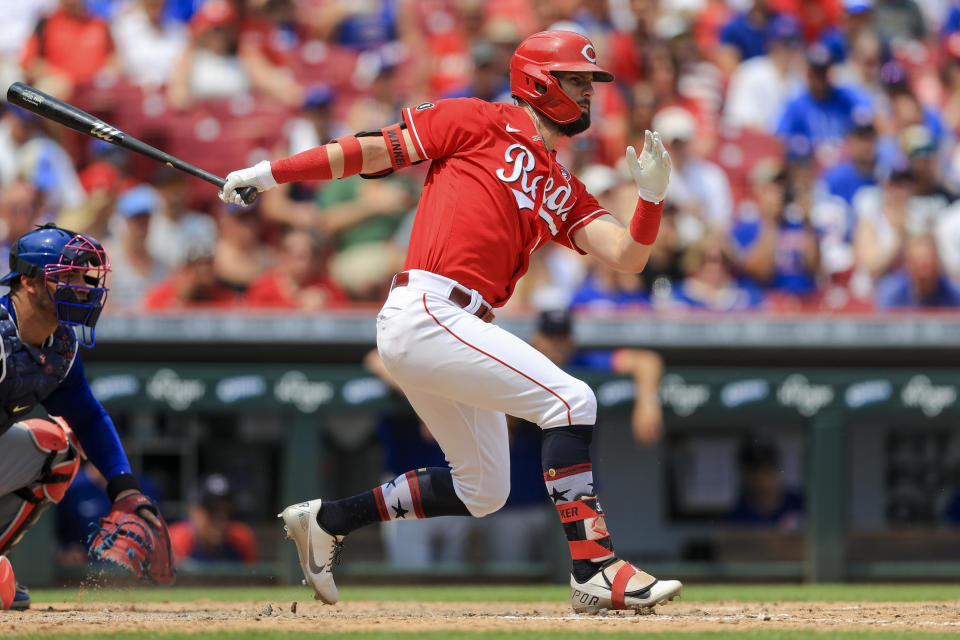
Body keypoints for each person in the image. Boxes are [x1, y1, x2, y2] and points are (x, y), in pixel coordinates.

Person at [221, 30, 682, 613]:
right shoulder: (476, 119)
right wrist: (270, 174)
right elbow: (370, 149)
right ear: (539, 82)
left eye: (589, 82)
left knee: (485, 491)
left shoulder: (561, 183)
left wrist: (650, 200)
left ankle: (330, 521)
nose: (587, 94)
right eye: (576, 80)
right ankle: (594, 568)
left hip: (457, 326)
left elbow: (628, 255)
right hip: (429, 308)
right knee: (571, 402)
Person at [0, 223, 172, 610]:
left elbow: (90, 418)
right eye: (68, 276)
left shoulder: (60, 347)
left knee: (58, 448)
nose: (83, 286)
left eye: (84, 276)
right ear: (29, 282)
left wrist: (123, 487)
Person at [168, 473, 258, 566]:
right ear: (194, 512)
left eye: (227, 510)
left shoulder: (242, 540)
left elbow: (253, 578)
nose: (221, 518)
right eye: (212, 509)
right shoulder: (174, 540)